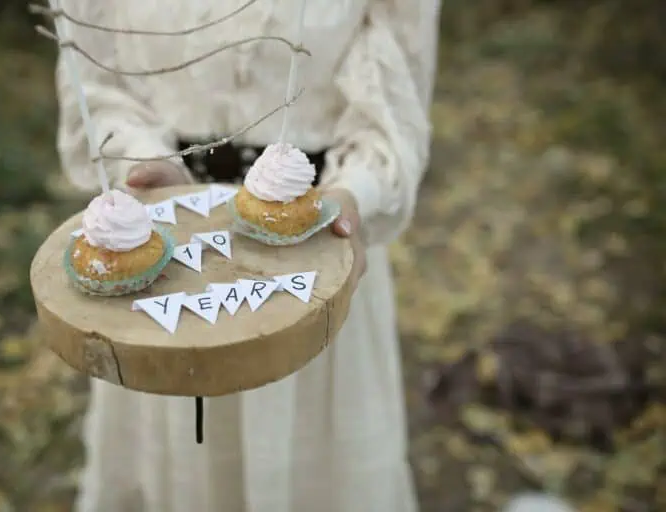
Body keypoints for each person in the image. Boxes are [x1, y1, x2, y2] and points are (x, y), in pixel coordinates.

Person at [55, 1, 440, 510]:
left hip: (312, 258)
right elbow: (97, 87)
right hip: (166, 274)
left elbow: (394, 112)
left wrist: (354, 195)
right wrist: (147, 167)